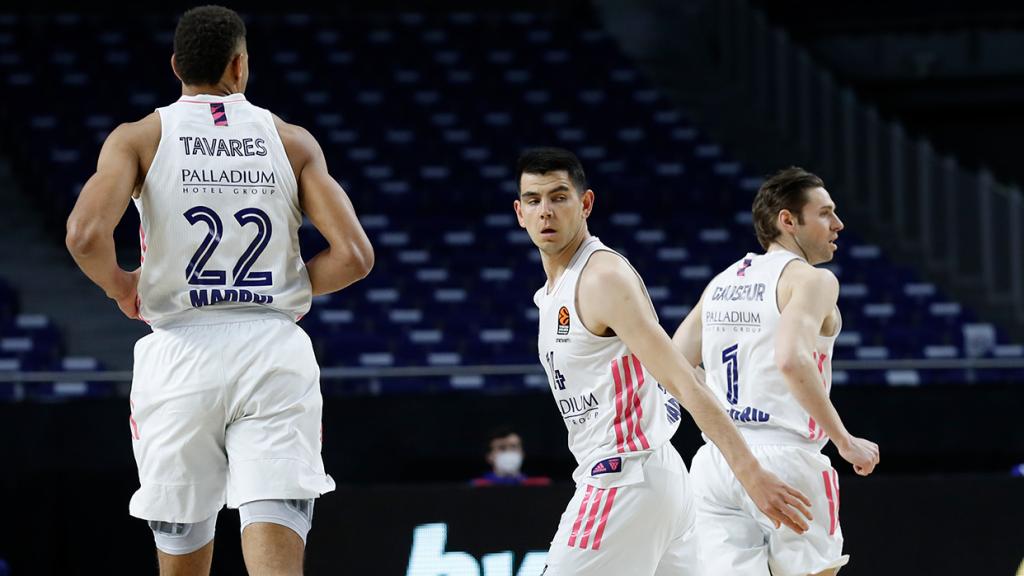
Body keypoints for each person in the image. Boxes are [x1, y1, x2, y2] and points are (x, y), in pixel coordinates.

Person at [65, 6, 374, 575]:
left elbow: (85, 235)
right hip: (272, 349)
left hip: (180, 353)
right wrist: (286, 287)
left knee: (183, 559)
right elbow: (355, 256)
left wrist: (121, 287)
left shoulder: (140, 137)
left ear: (177, 65)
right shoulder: (291, 140)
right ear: (240, 65)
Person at [513, 147, 812, 576]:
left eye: (559, 197)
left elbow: (683, 382)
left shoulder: (601, 278)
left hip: (623, 477)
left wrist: (751, 472)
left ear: (585, 204)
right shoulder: (554, 291)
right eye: (534, 200)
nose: (546, 211)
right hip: (657, 477)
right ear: (519, 212)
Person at [672, 167, 880, 576]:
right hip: (788, 457)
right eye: (824, 213)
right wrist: (844, 440)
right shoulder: (814, 281)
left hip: (718, 462)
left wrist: (712, 402)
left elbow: (674, 362)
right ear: (788, 221)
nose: (837, 224)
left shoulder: (722, 282)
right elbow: (791, 359)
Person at [471, 427, 551, 487]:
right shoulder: (477, 486)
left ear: (522, 453)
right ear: (489, 457)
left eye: (514, 447)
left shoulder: (542, 486)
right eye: (502, 448)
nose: (508, 452)